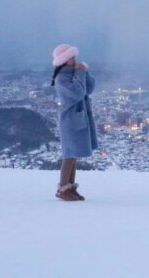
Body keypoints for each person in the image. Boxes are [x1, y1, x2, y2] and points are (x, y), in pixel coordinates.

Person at [50, 43, 98, 202]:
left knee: (74, 154)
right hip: (70, 120)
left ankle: (70, 187)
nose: (74, 60)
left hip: (79, 118)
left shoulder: (74, 73)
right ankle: (63, 188)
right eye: (72, 58)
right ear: (64, 60)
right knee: (69, 154)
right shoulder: (61, 78)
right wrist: (80, 74)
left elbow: (88, 89)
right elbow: (76, 94)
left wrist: (85, 72)